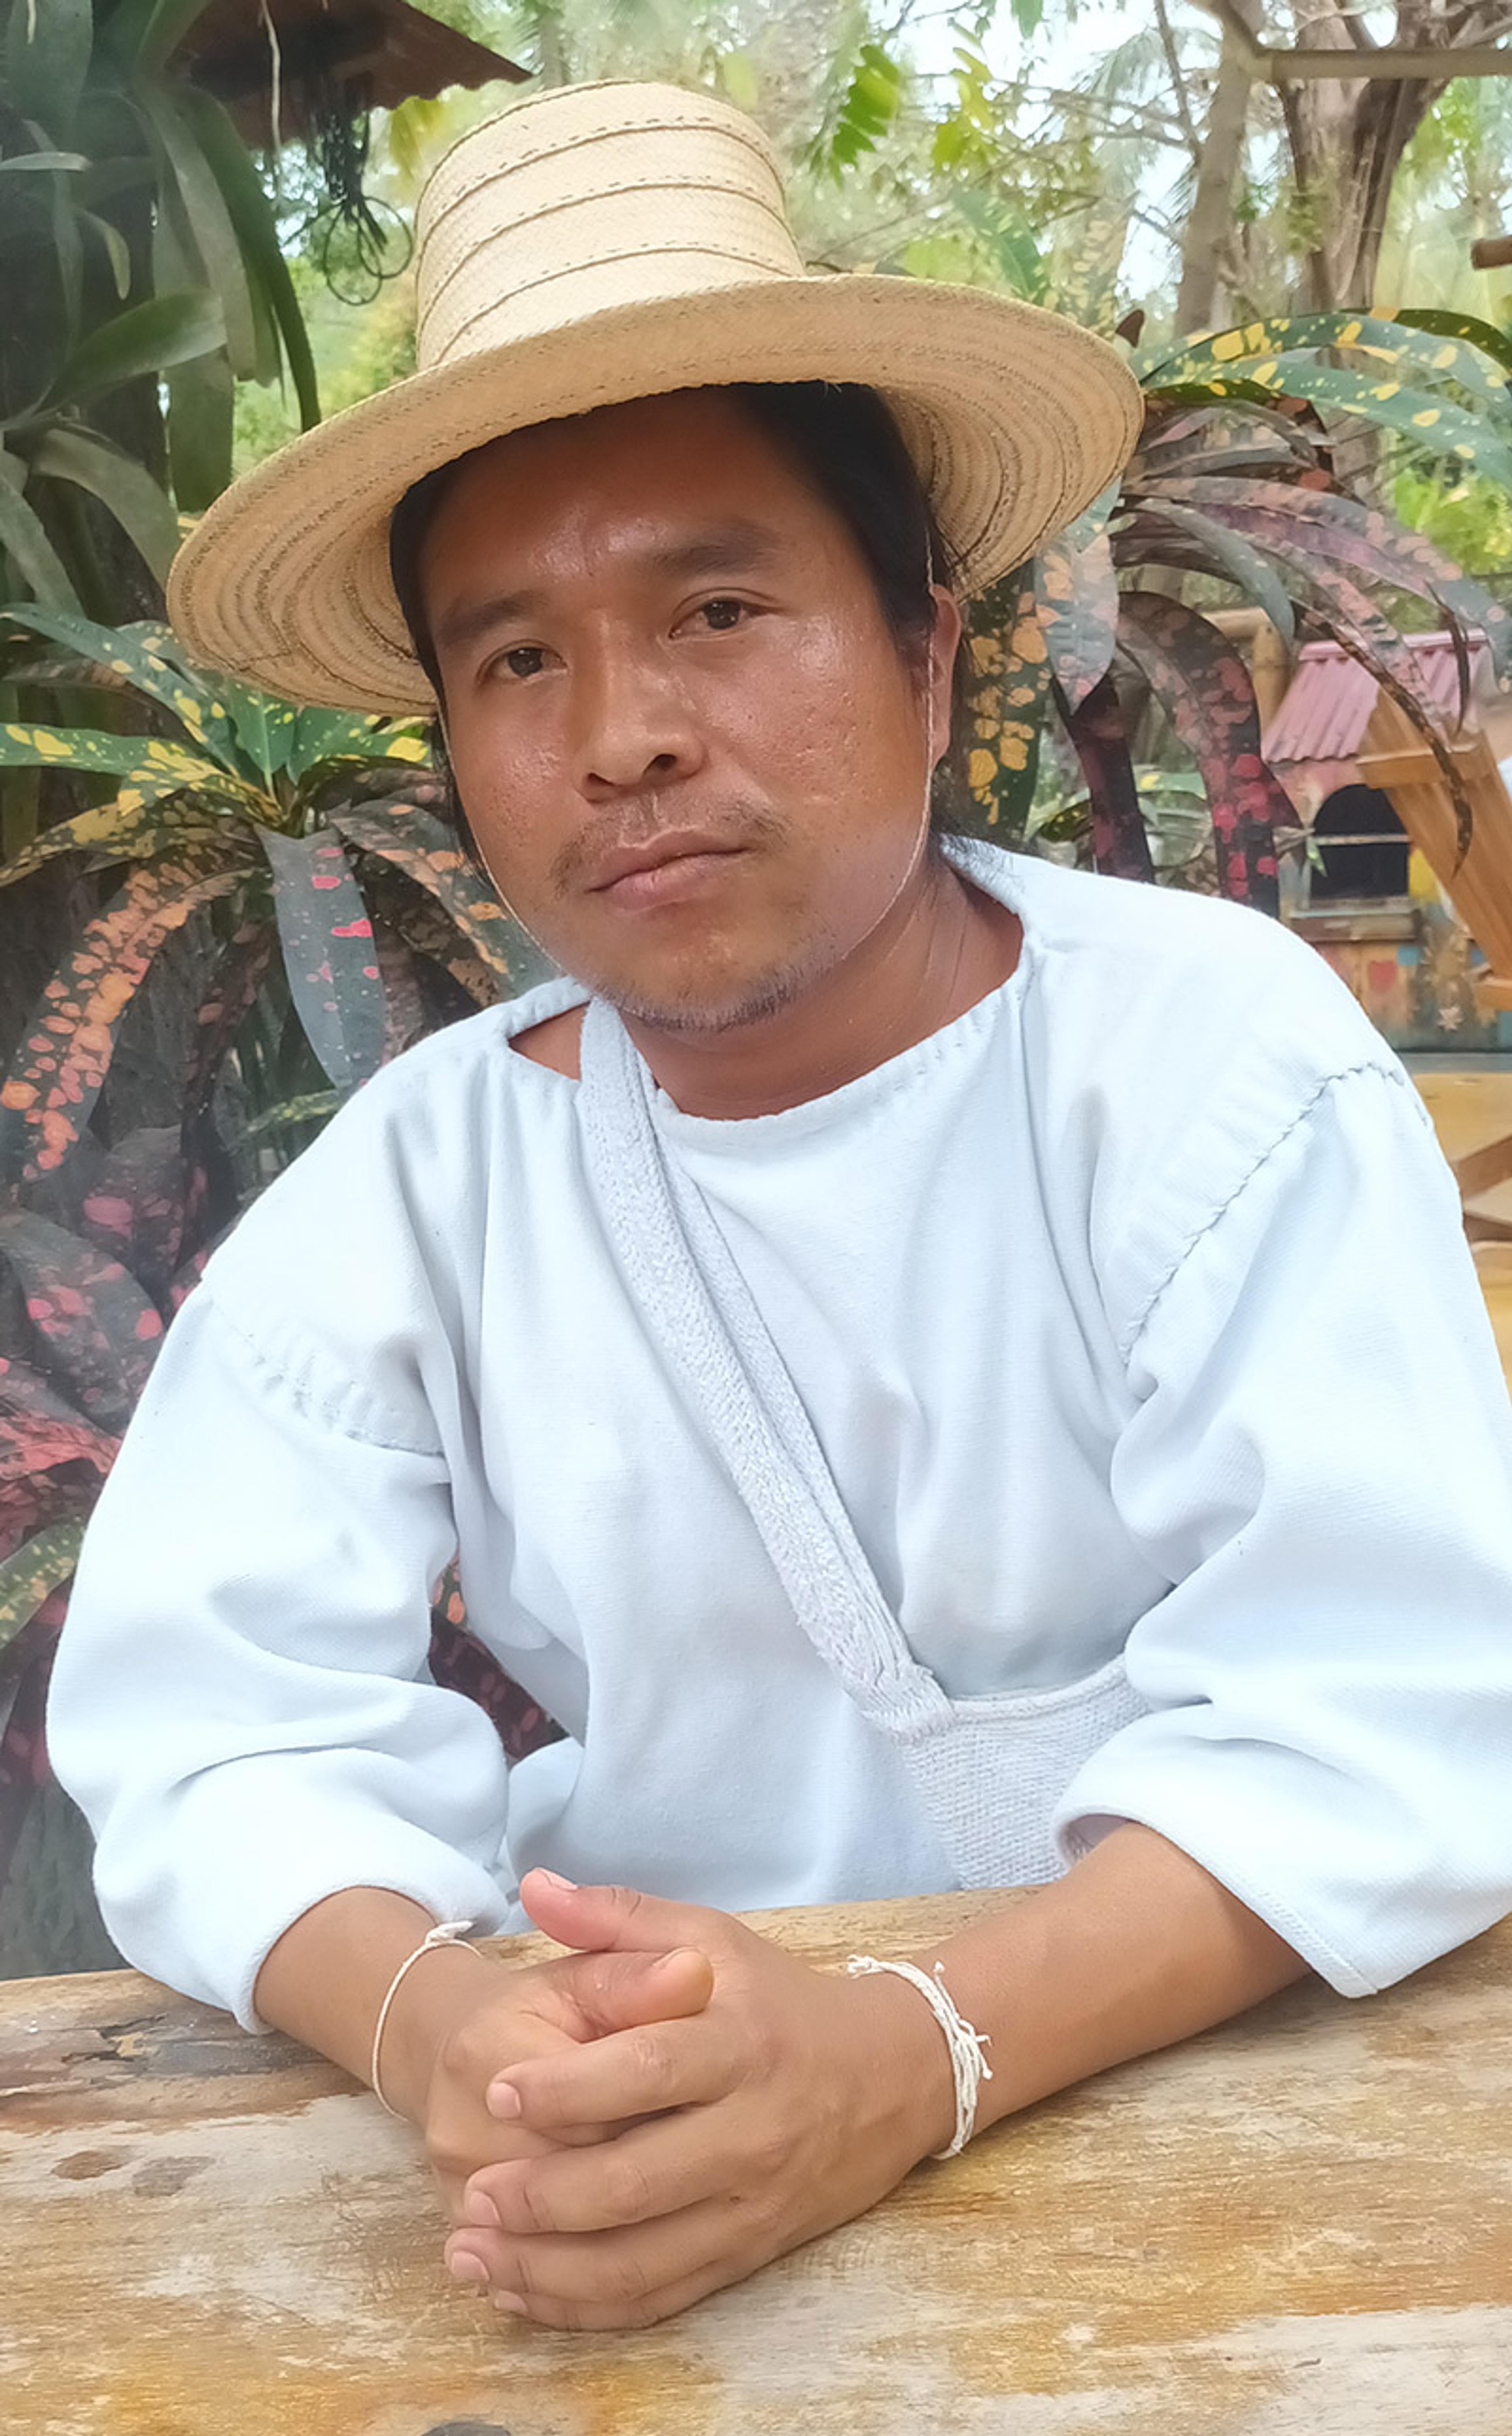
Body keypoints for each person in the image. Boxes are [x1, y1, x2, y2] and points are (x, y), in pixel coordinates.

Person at [47, 80, 1512, 2335]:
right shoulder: (429, 1183)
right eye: (518, 659)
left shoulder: (1205, 1065)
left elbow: (1386, 1706)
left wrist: (911, 2055)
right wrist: (455, 2027)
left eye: (720, 606)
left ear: (926, 654)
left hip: (1220, 2126)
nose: (622, 734)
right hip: (635, 2143)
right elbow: (209, 1729)